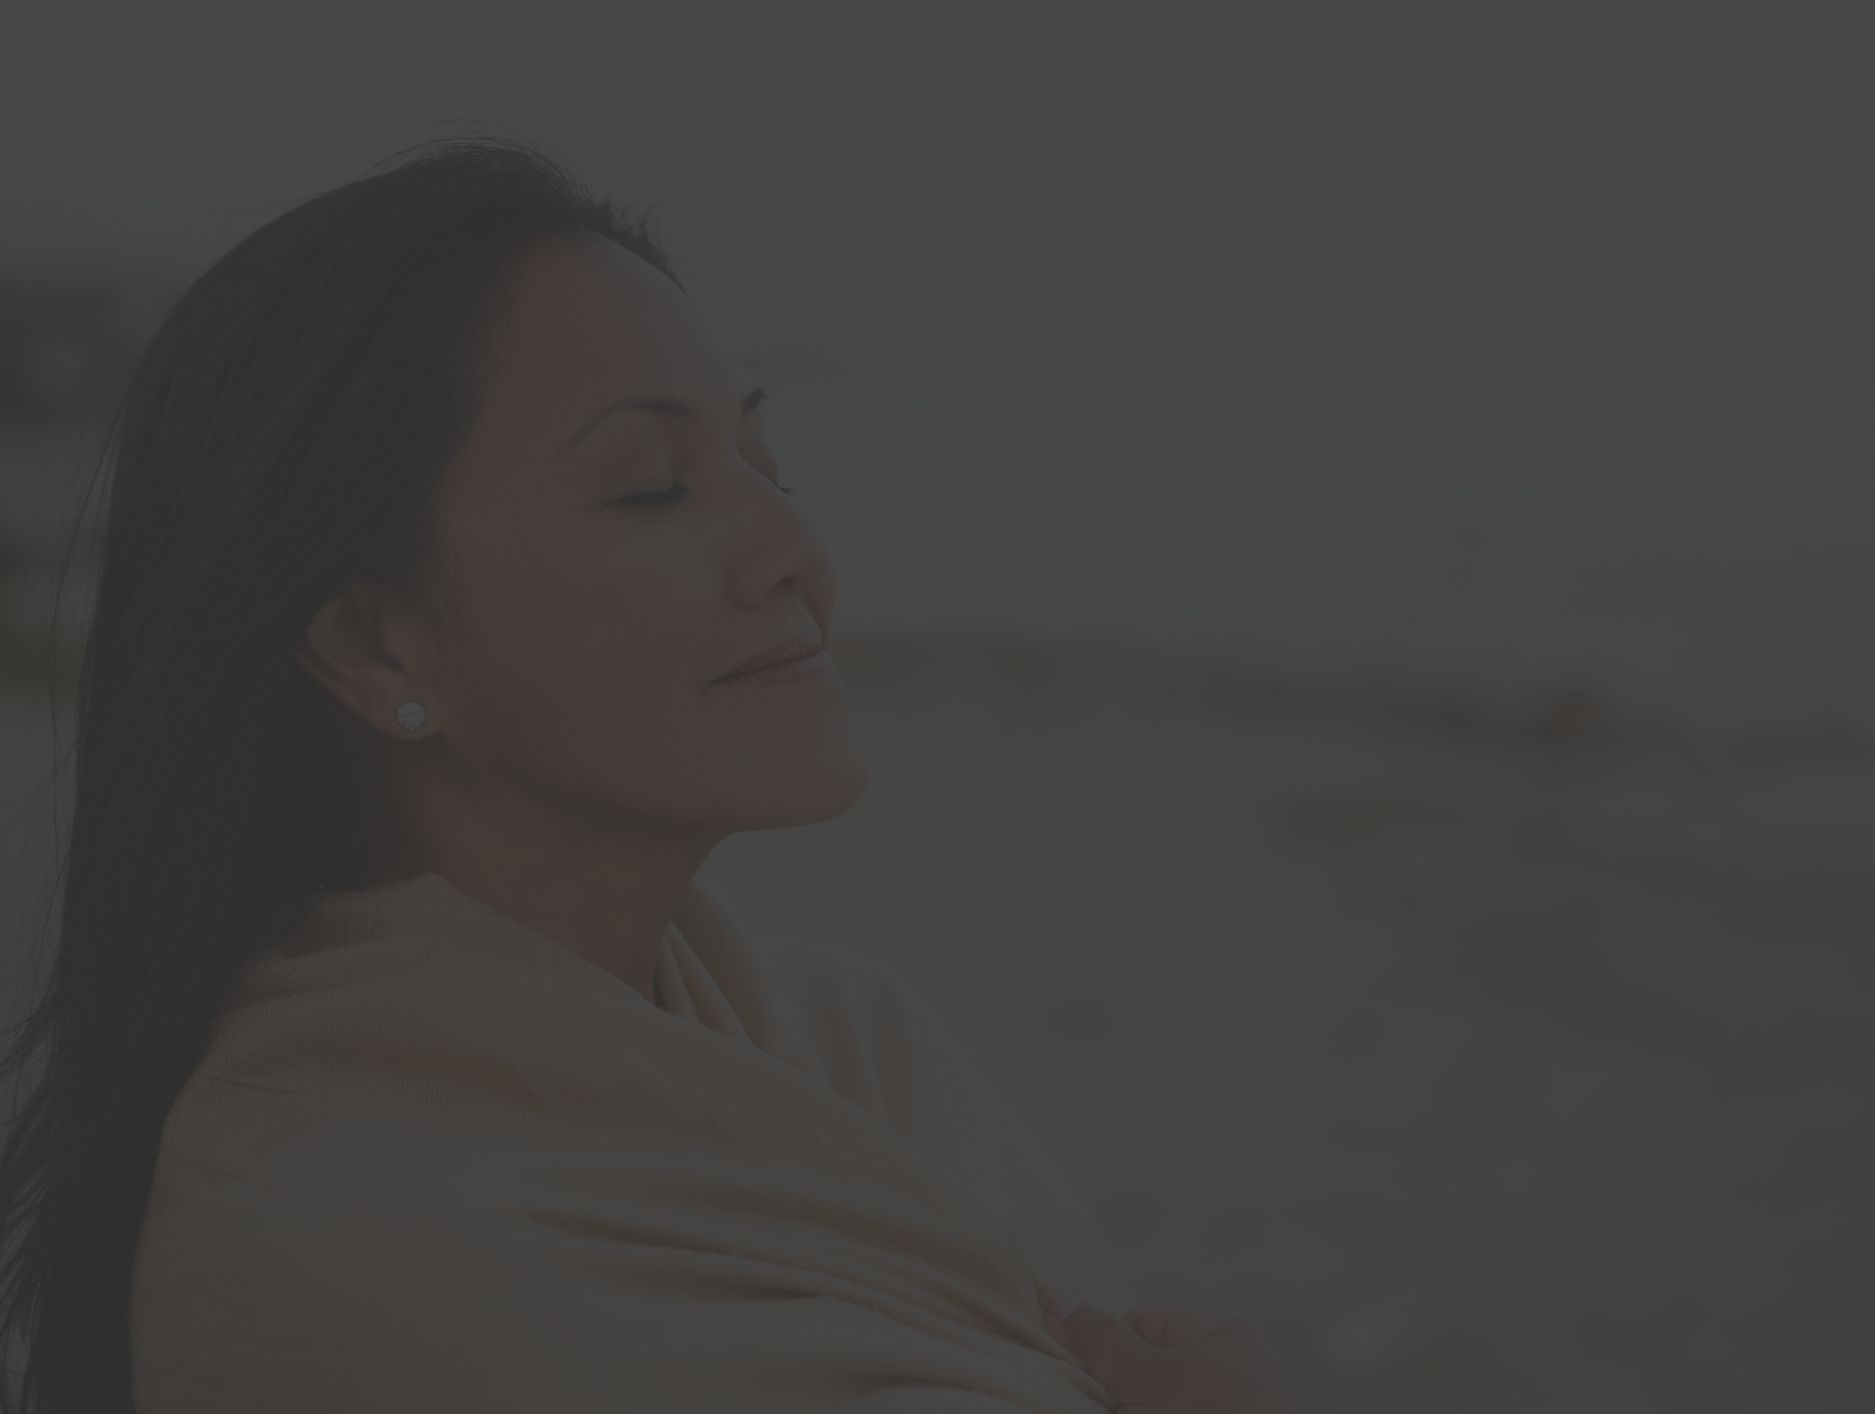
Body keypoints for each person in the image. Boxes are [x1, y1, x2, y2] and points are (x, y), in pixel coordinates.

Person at [0, 136, 1287, 1413]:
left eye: (765, 464)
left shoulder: (857, 1045)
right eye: (652, 488)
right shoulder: (321, 1227)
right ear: (371, 638)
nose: (792, 548)